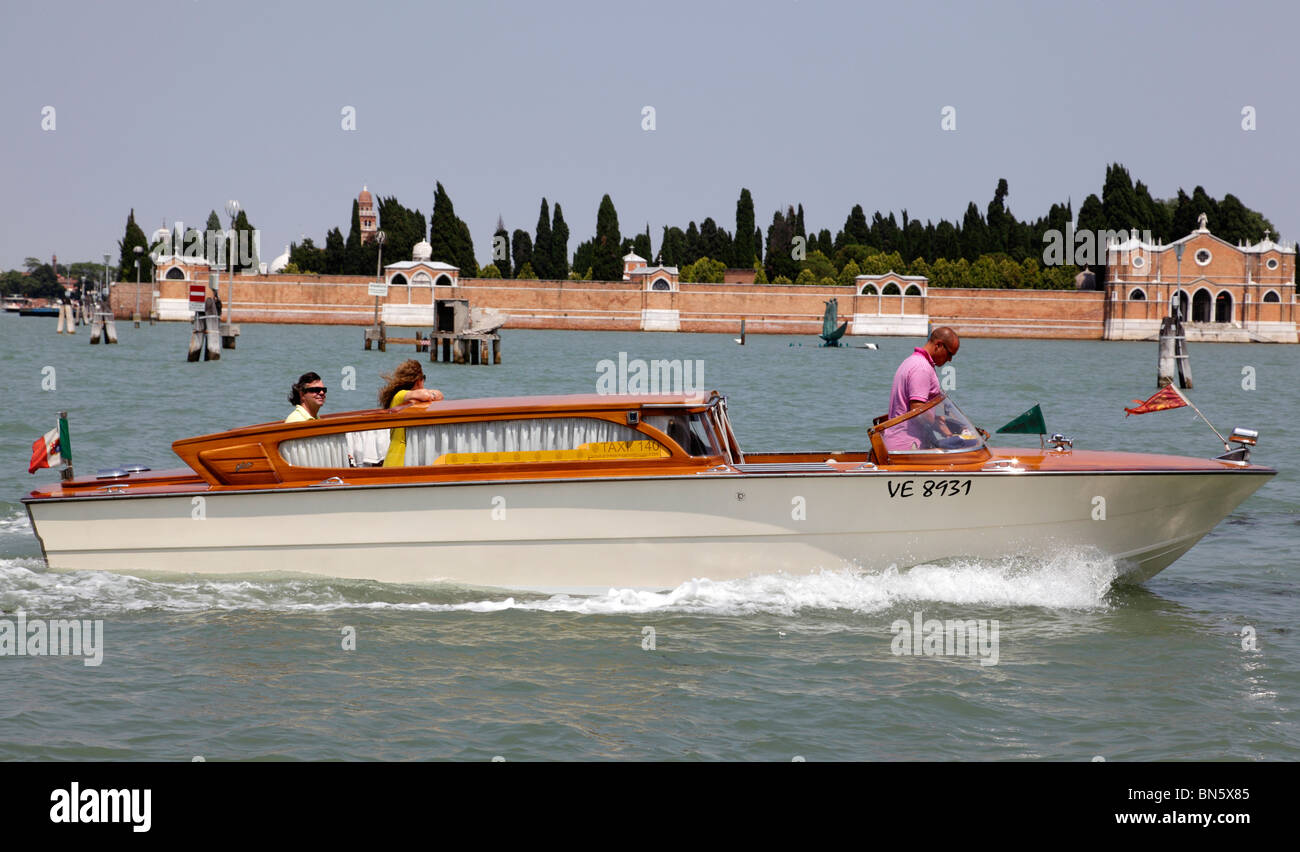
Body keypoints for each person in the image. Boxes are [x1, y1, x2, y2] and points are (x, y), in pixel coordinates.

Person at [882, 327, 959, 451]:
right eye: (950, 354)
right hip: (908, 445)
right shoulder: (921, 368)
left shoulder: (911, 361)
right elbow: (918, 410)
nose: (950, 359)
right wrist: (945, 431)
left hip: (900, 442)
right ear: (938, 345)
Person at [378, 360, 445, 466]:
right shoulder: (399, 396)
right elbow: (426, 395)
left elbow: (440, 395)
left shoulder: (408, 398)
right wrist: (428, 397)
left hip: (404, 459)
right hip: (397, 461)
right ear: (418, 381)